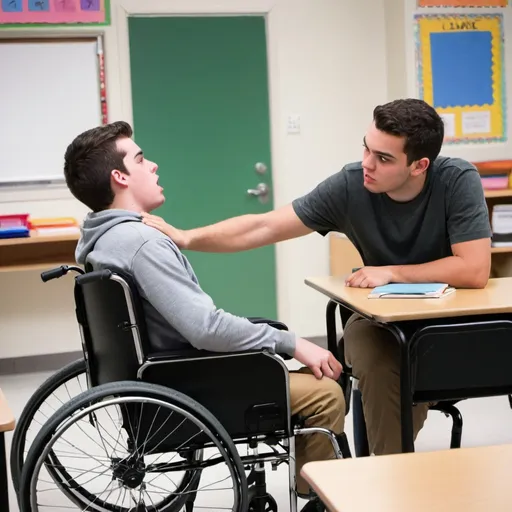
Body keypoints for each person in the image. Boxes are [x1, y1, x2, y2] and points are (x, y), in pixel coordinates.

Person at [142, 98, 492, 456]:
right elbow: (264, 226)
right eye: (366, 148)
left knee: (424, 371)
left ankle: (388, 471)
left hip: (445, 324)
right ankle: (388, 475)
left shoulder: (456, 180)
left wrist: (392, 273)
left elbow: (474, 268)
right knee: (381, 361)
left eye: (383, 158)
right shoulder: (351, 185)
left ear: (420, 166)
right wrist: (188, 238)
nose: (367, 164)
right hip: (378, 324)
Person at [63, 120, 345, 509]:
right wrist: (291, 343)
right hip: (191, 385)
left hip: (154, 383)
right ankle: (317, 500)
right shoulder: (141, 242)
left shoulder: (100, 242)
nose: (154, 166)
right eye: (141, 159)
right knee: (326, 394)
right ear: (119, 177)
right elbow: (205, 329)